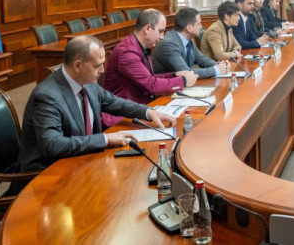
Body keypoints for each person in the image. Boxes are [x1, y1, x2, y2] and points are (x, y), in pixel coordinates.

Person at [17, 35, 176, 172]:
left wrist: (148, 112)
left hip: (83, 160)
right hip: (49, 172)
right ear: (78, 65)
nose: (102, 70)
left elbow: (113, 102)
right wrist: (104, 139)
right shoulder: (47, 96)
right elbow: (52, 145)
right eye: (97, 65)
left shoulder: (86, 81)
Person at [102, 9, 197, 127]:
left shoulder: (139, 46)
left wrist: (174, 75)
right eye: (160, 31)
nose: (162, 37)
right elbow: (151, 85)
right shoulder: (127, 52)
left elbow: (149, 77)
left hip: (141, 110)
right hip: (123, 117)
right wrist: (183, 81)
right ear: (147, 29)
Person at [152, 7, 230, 78]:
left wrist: (220, 65)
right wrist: (216, 70)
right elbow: (186, 72)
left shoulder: (188, 40)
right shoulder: (169, 44)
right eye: (198, 24)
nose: (201, 26)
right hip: (168, 87)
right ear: (189, 28)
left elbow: (201, 60)